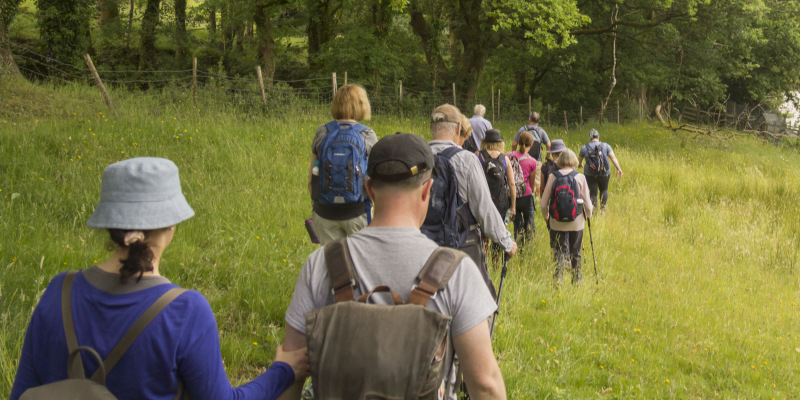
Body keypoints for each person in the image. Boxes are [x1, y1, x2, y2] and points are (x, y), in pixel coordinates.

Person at [10, 157, 308, 400]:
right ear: (172, 225)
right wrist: (282, 370)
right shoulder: (186, 311)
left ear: (110, 225)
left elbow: (23, 392)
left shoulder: (58, 291)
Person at [278, 134, 507, 400]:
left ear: (369, 190)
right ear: (426, 190)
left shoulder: (322, 264)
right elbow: (485, 385)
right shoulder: (458, 272)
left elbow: (288, 373)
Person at [426, 104, 517, 297]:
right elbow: (484, 208)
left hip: (425, 243)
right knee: (480, 301)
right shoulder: (466, 160)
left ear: (431, 129)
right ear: (459, 129)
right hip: (463, 242)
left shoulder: (419, 156)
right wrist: (506, 242)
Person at [308, 84, 378, 245]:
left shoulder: (322, 131)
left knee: (333, 264)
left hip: (325, 212)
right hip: (357, 211)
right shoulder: (367, 134)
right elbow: (375, 177)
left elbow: (312, 176)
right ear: (362, 105)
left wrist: (317, 205)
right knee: (360, 263)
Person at [540, 149, 593, 286]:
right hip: (576, 222)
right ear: (574, 160)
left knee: (558, 250)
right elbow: (587, 203)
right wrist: (589, 214)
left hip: (556, 222)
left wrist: (546, 217)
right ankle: (577, 279)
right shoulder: (580, 177)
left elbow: (543, 203)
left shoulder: (553, 176)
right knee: (576, 251)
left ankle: (558, 278)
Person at [477, 129, 516, 262]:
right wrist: (513, 206)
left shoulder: (478, 155)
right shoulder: (504, 158)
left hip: (482, 200)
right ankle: (495, 262)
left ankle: (483, 260)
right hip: (500, 201)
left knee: (482, 231)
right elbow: (512, 184)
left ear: (484, 142)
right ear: (500, 143)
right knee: (498, 231)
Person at [578, 129, 623, 210]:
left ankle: (594, 212)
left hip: (590, 173)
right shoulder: (606, 145)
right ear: (598, 137)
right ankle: (603, 209)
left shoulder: (584, 147)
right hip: (604, 172)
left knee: (593, 193)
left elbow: (579, 160)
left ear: (590, 138)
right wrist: (618, 169)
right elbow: (613, 157)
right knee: (604, 190)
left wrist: (580, 164)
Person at [507, 130, 537, 246]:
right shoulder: (532, 161)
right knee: (529, 220)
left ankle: (519, 245)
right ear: (531, 144)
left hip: (512, 195)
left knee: (517, 222)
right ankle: (529, 244)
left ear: (518, 143)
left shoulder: (508, 156)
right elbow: (532, 183)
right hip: (526, 195)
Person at [513, 111, 551, 196]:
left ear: (529, 119)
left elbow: (514, 144)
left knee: (521, 178)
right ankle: (536, 198)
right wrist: (548, 156)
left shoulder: (523, 129)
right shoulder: (541, 131)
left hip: (522, 159)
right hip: (537, 159)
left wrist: (514, 153)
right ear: (538, 121)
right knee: (537, 181)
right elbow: (549, 145)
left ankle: (521, 194)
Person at [540, 139, 566, 252]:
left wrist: (545, 210)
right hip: (567, 205)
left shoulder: (545, 167)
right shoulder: (570, 167)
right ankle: (567, 255)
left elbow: (542, 188)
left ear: (552, 152)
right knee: (566, 233)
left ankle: (556, 255)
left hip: (552, 205)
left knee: (553, 234)